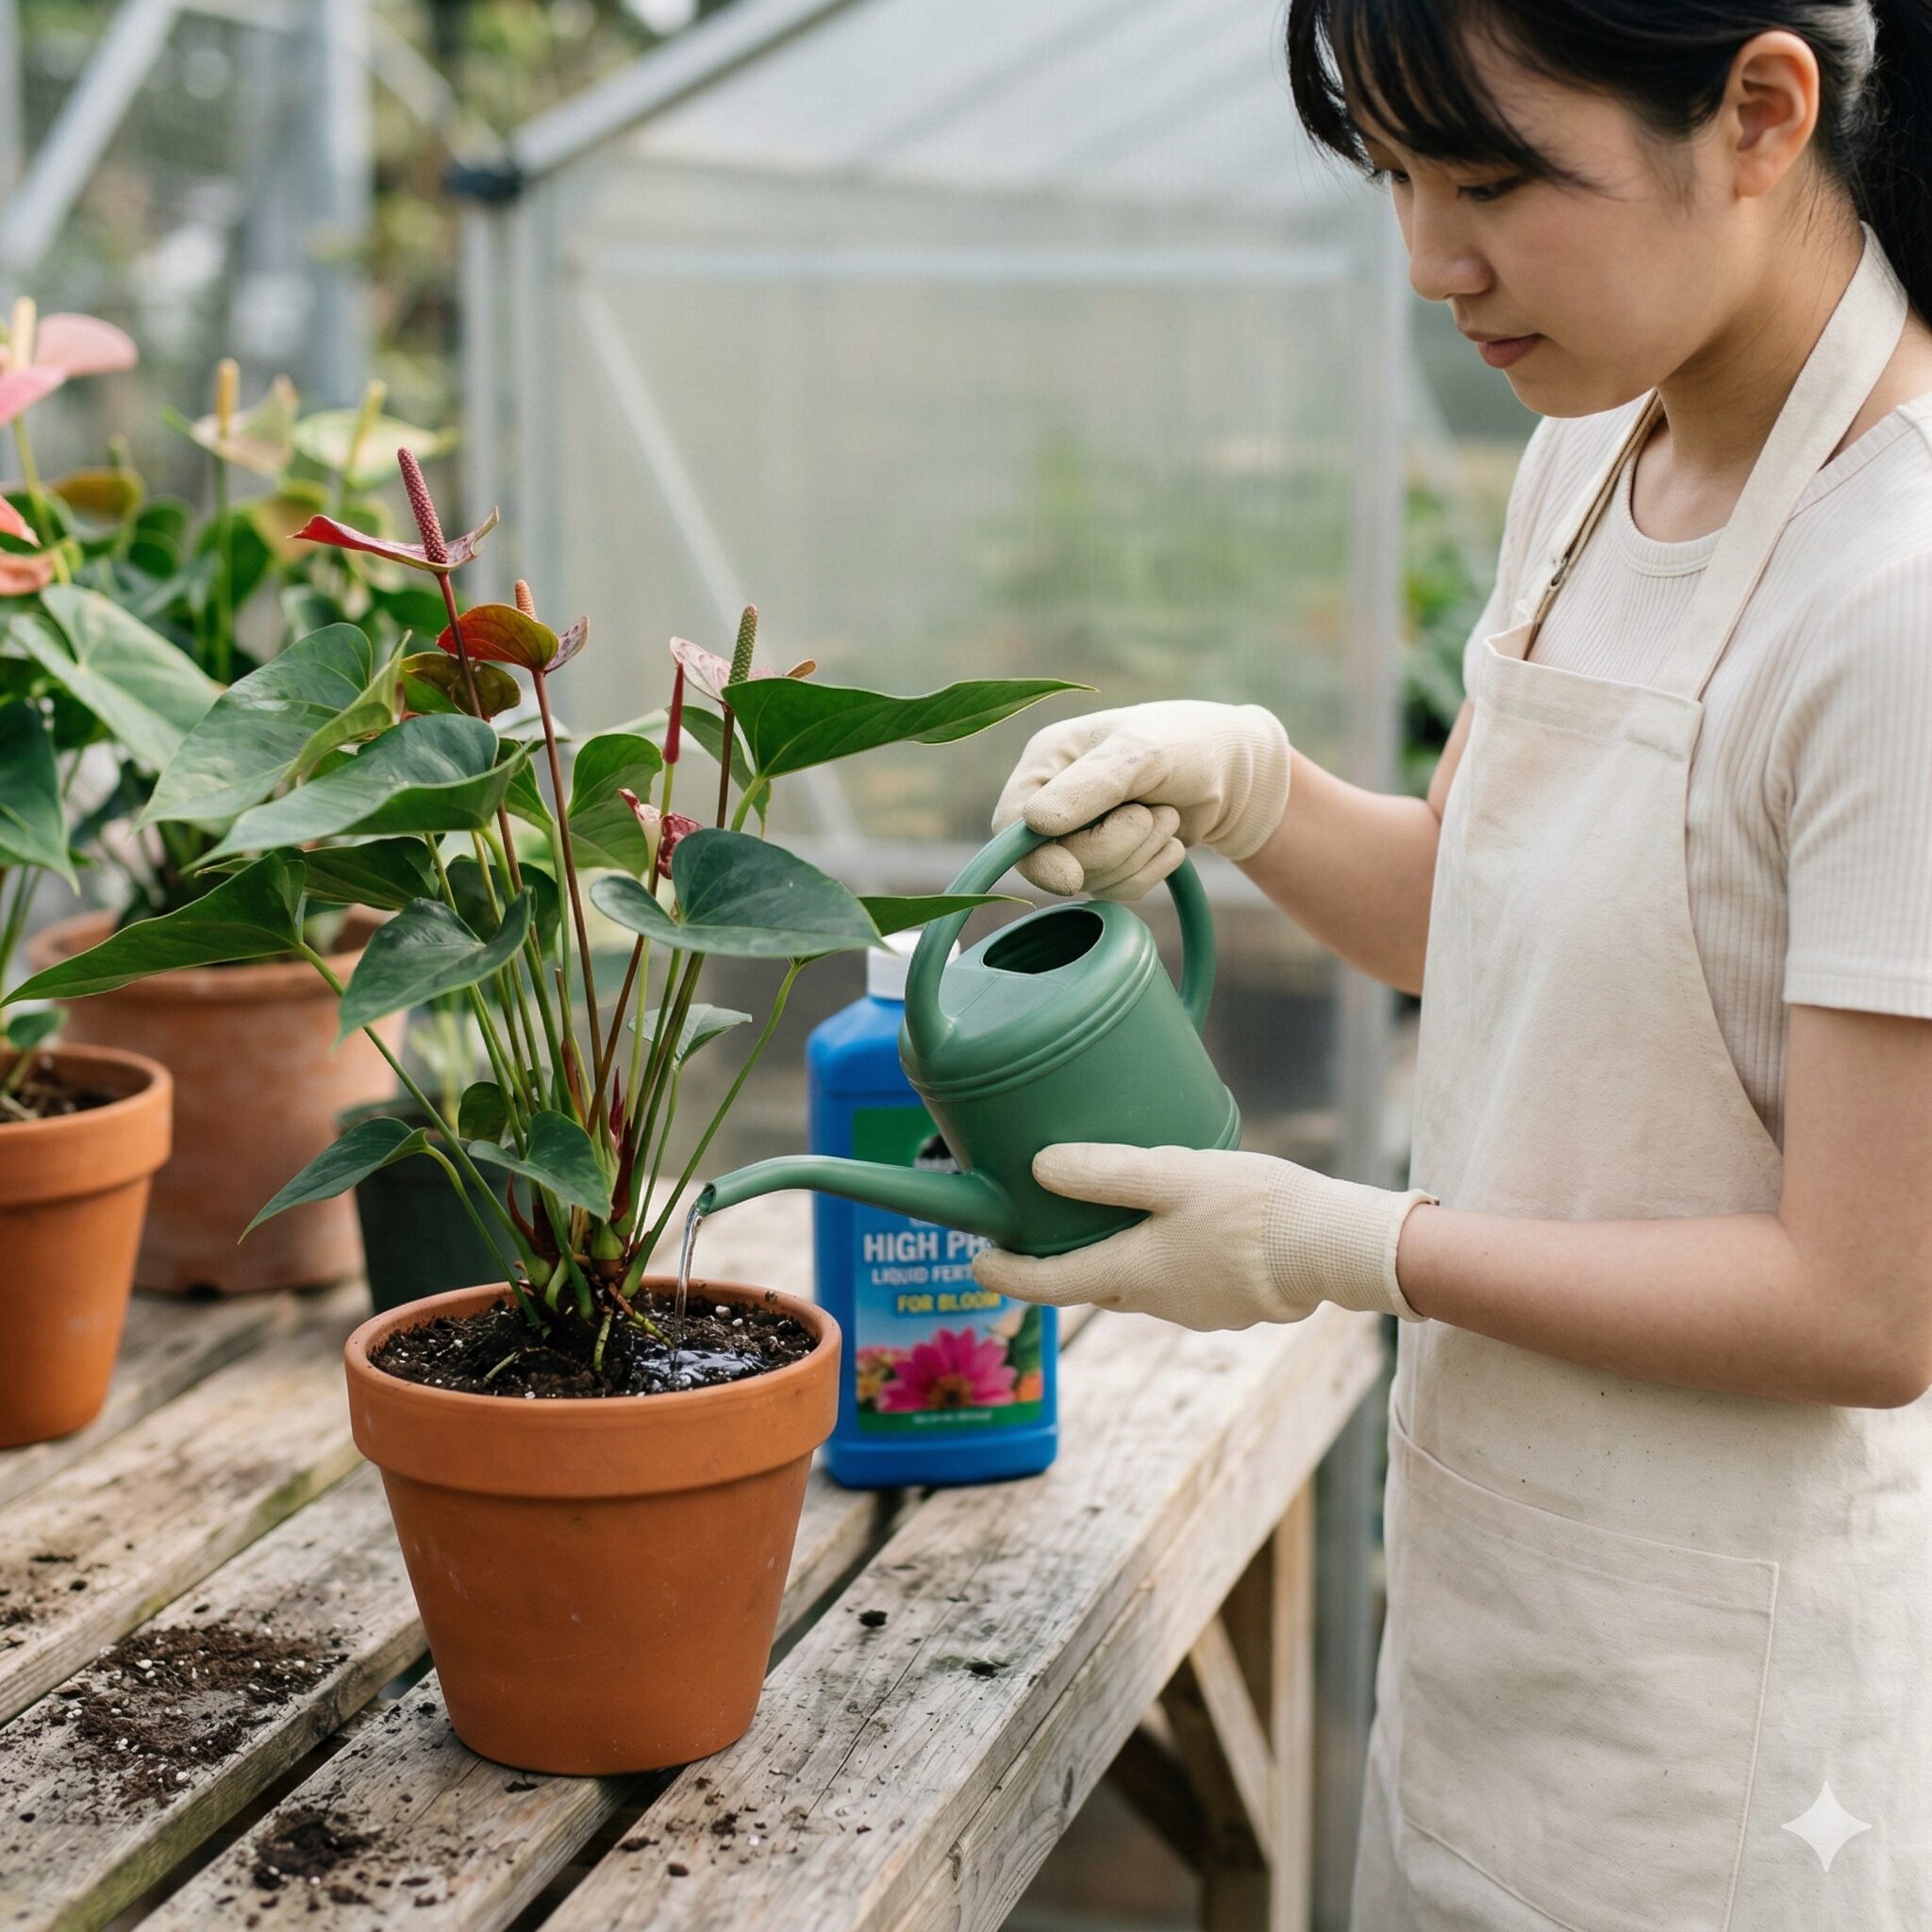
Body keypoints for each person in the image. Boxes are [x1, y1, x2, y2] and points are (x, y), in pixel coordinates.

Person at [968, 4, 1932, 1926]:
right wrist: (1251, 788)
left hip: (1735, 1754)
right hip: (1500, 1629)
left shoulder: (1893, 603)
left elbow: (1864, 1303)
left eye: (1491, 180)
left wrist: (1348, 1245)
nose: (1431, 261)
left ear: (1760, 113)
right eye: (1394, 174)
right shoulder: (1591, 453)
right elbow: (1485, 916)